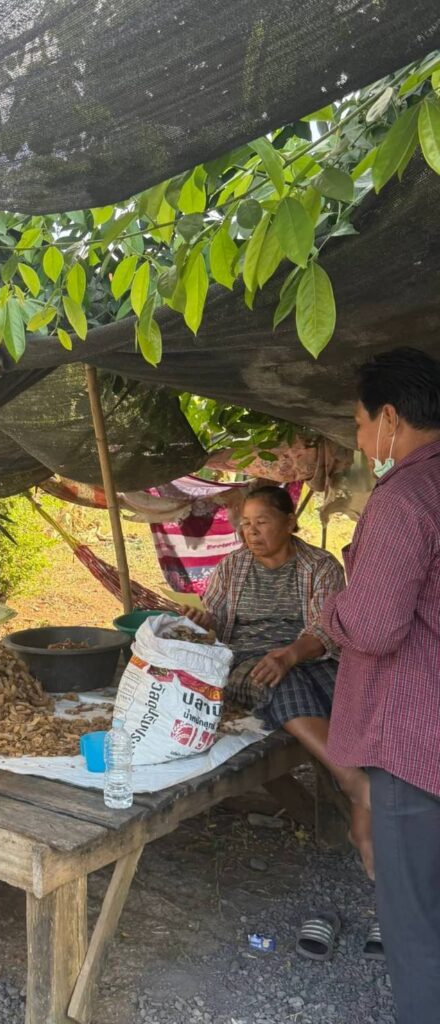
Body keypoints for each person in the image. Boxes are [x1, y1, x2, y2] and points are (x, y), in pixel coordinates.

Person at [321, 347, 440, 1024]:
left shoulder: (404, 499)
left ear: (390, 419)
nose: (362, 443)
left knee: (417, 923)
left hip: (416, 738)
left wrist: (330, 611)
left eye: (361, 426)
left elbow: (373, 624)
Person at [184, 485, 373, 874]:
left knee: (344, 692)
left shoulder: (319, 567)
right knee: (275, 680)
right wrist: (203, 621)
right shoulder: (233, 567)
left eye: (262, 522)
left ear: (289, 523)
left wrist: (291, 655)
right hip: (248, 663)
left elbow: (326, 631)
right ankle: (351, 780)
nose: (252, 533)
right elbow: (216, 617)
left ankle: (372, 803)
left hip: (309, 657)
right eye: (246, 524)